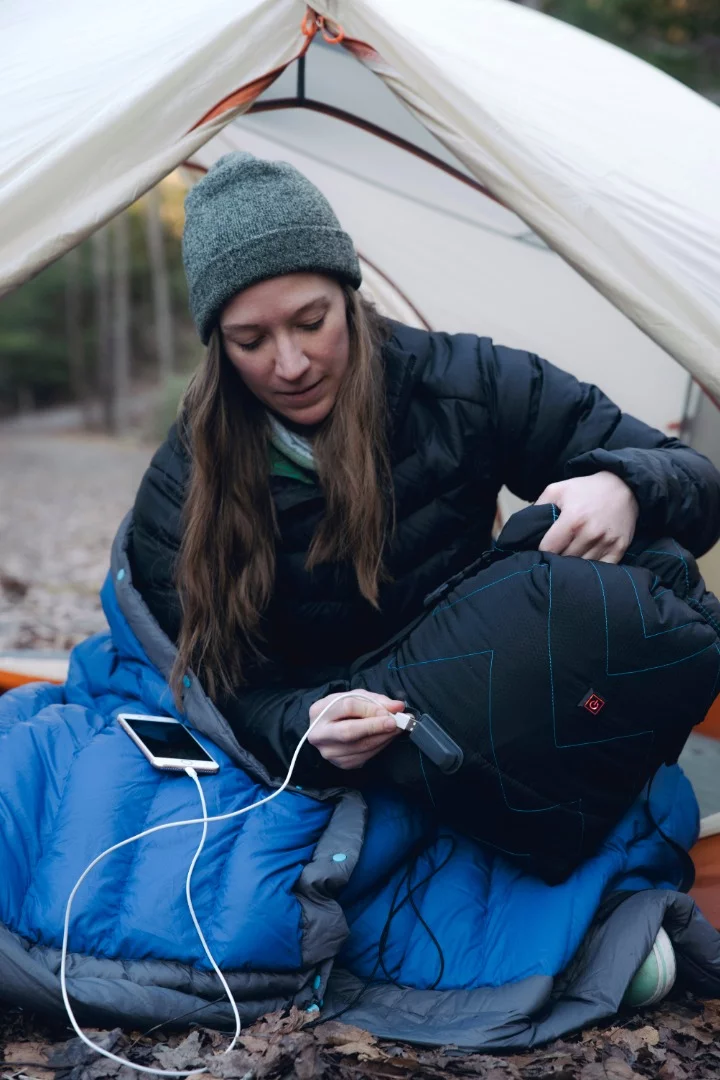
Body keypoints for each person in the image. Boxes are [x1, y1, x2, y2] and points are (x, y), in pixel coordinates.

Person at [129, 151, 720, 791]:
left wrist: (623, 487)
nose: (292, 364)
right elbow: (215, 686)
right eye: (251, 341)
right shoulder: (186, 478)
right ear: (220, 346)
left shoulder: (466, 384)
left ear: (348, 298)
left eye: (311, 322)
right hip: (328, 764)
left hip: (477, 715)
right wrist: (306, 725)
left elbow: (694, 477)